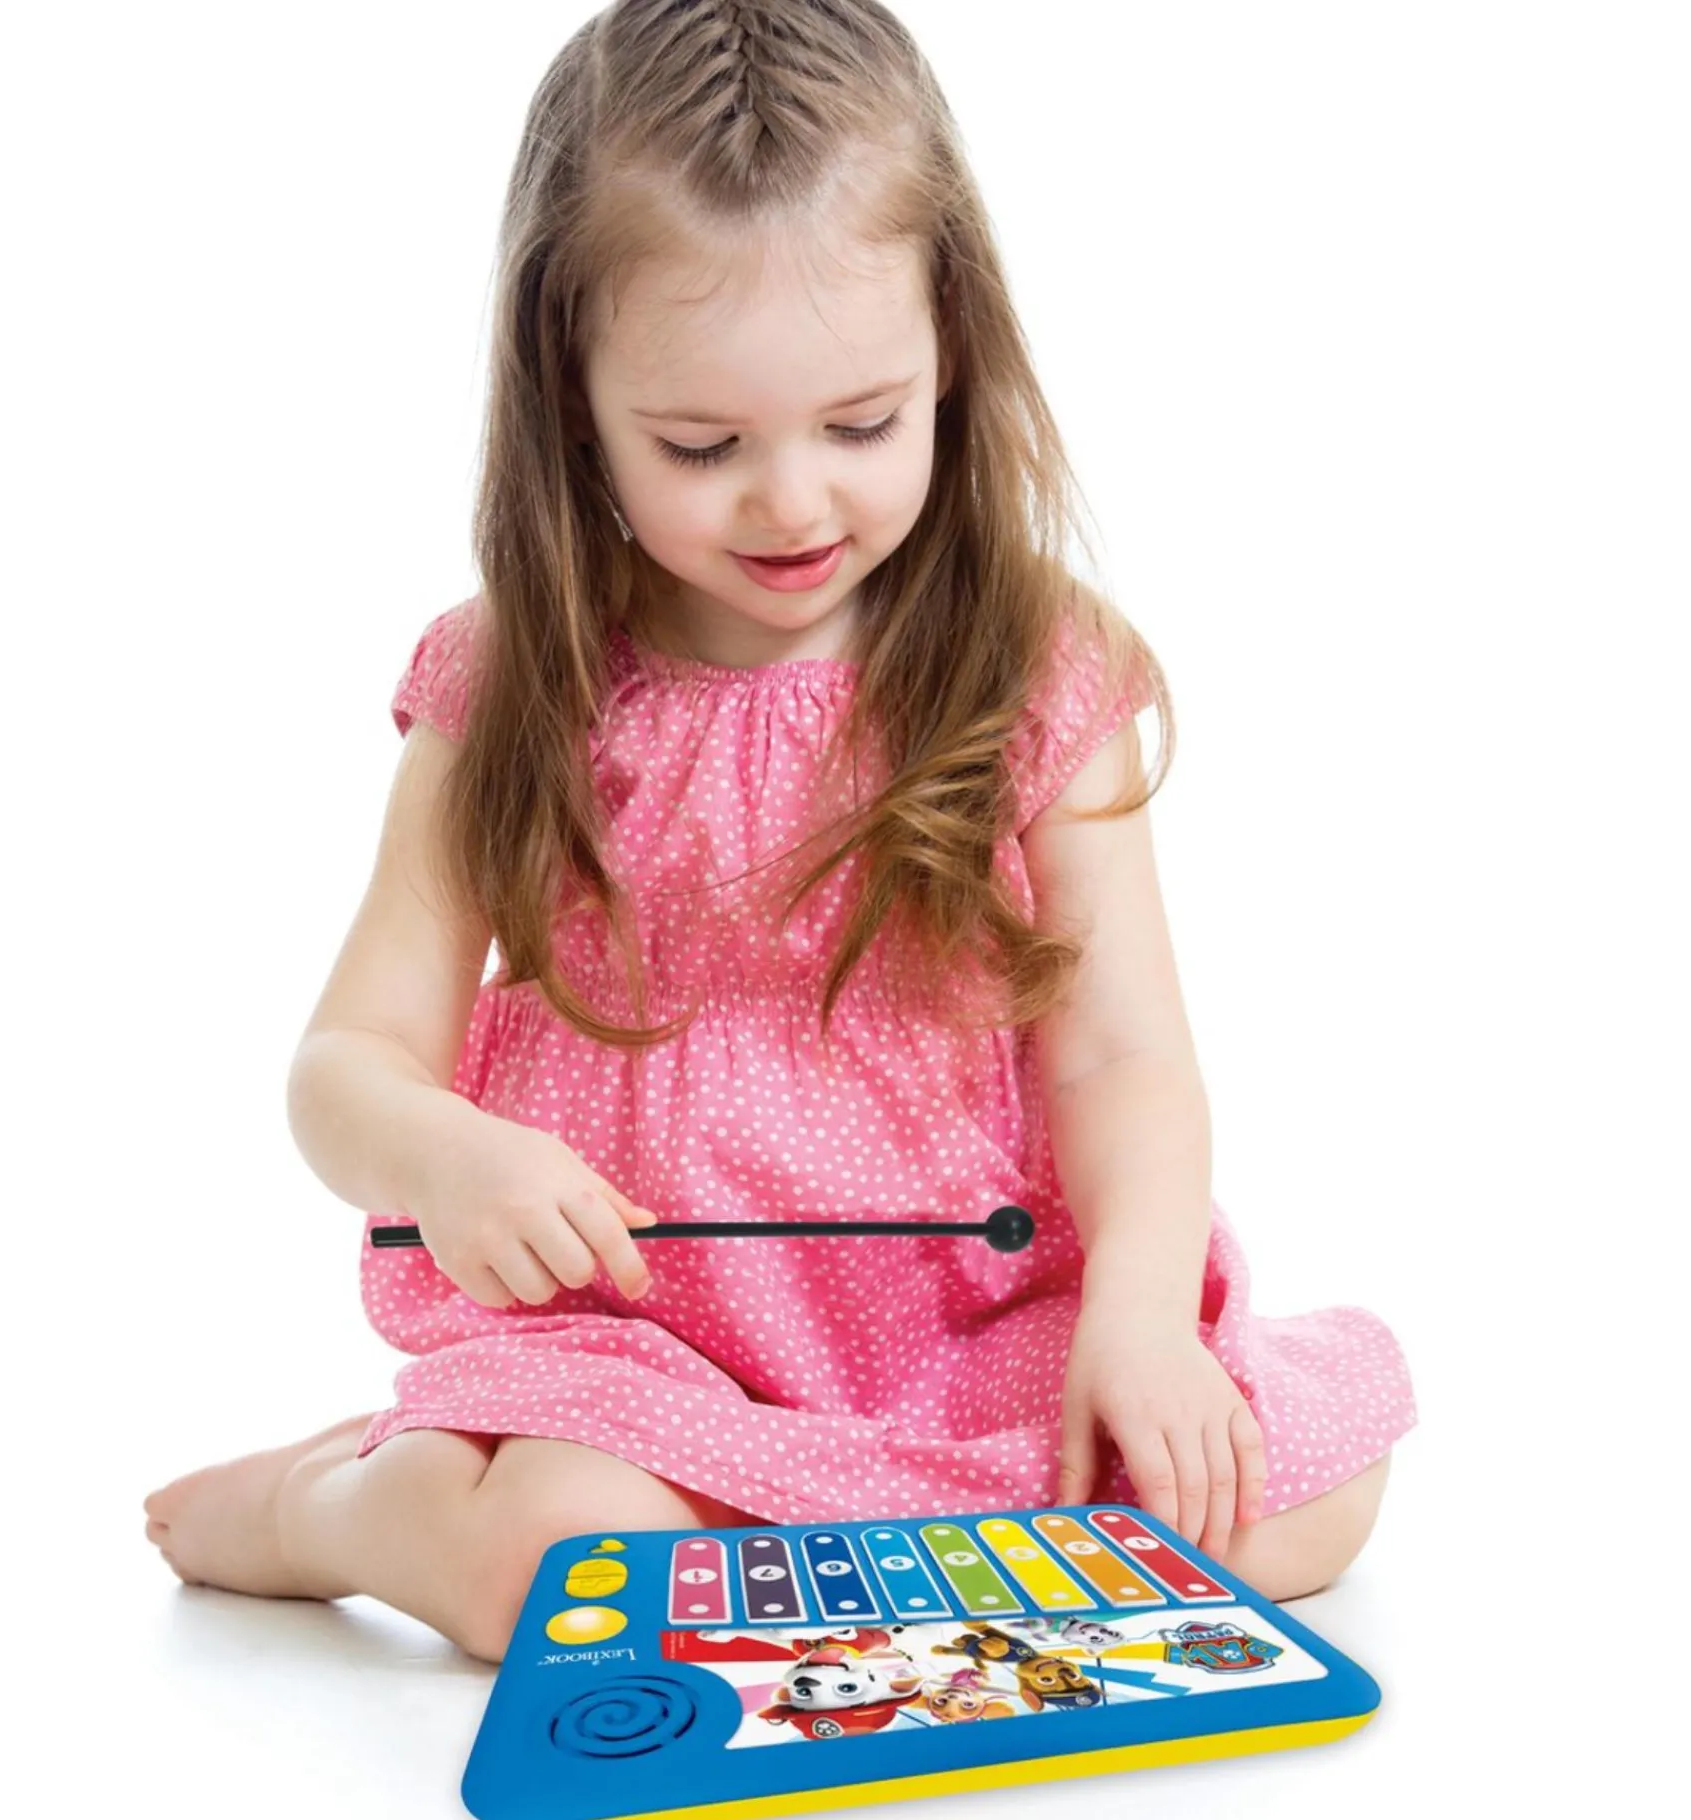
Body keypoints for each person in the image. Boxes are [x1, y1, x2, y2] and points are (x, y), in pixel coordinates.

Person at [144, 0, 1415, 1666]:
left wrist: (1138, 1320)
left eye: (863, 424)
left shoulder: (1039, 667)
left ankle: (816, 1524)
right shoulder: (514, 684)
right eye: (702, 446)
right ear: (571, 397)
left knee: (1295, 1502)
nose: (796, 501)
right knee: (564, 1568)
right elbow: (344, 1064)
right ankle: (336, 1506)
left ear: (951, 350)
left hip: (964, 1325)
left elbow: (1124, 1057)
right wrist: (444, 1157)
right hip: (639, 1355)